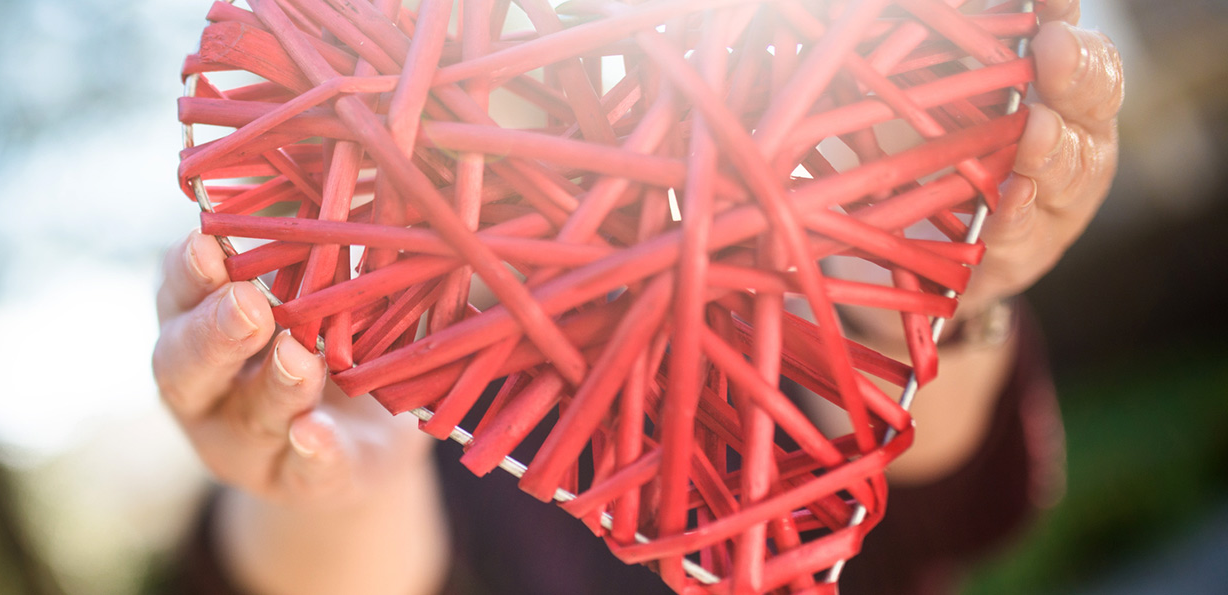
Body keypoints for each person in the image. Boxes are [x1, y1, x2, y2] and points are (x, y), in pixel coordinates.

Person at [151, 2, 1123, 593]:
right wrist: (337, 489)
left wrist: (931, 286)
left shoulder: (759, 197)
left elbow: (956, 511)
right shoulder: (378, 323)